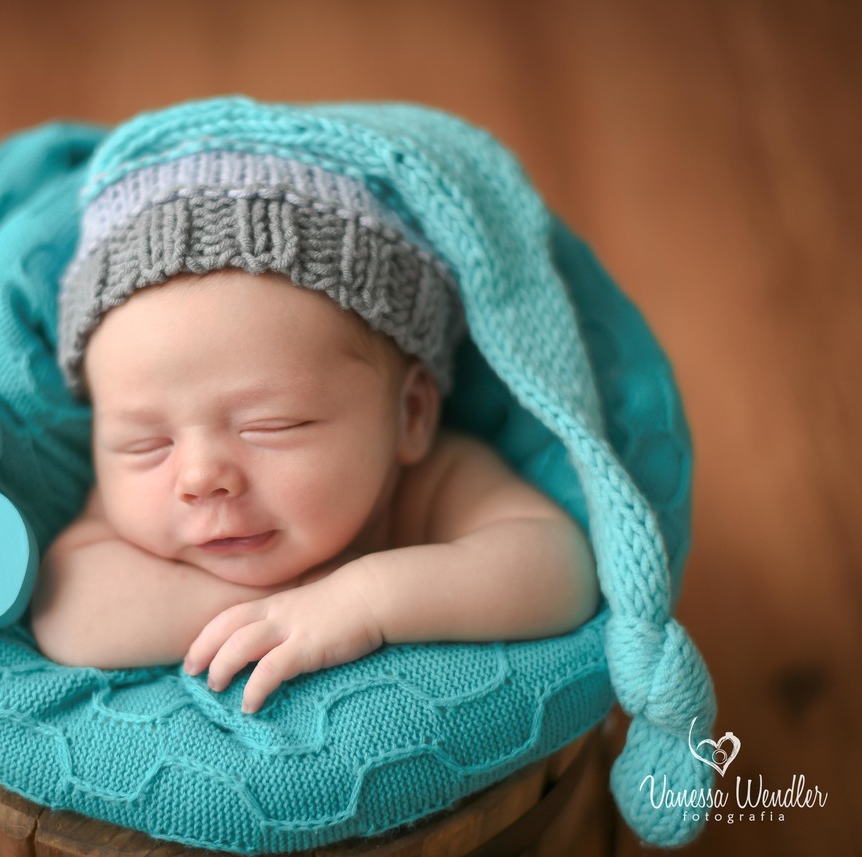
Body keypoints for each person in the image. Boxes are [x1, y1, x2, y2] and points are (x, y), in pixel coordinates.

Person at [31, 149, 599, 715]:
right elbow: (69, 611)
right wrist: (283, 605)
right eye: (145, 443)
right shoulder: (132, 513)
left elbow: (559, 570)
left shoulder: (430, 483)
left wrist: (363, 602)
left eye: (269, 426)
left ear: (410, 415)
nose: (199, 477)